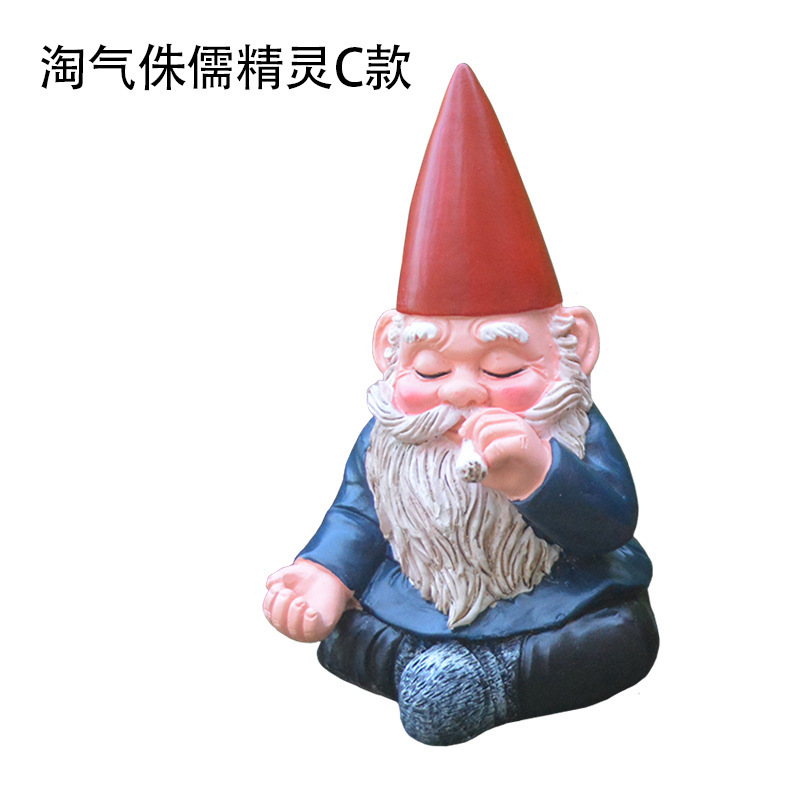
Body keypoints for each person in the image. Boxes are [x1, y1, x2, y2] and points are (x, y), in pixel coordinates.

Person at [263, 64, 658, 745]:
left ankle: (485, 682)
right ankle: (451, 676)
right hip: (415, 602)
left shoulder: (571, 427)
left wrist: (540, 475)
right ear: (389, 349)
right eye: (430, 368)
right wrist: (323, 574)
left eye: (503, 367)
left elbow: (609, 526)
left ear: (576, 345)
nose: (461, 390)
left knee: (620, 636)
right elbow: (358, 513)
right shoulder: (392, 437)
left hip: (560, 605)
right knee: (344, 636)